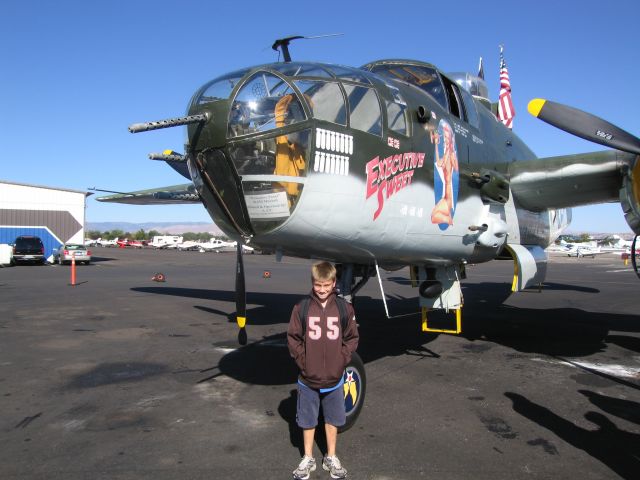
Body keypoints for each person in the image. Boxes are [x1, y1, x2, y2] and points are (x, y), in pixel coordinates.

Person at [287, 262, 359, 479]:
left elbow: (352, 338)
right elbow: (293, 339)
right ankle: (308, 457)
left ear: (334, 283)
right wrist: (304, 362)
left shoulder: (344, 309)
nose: (322, 289)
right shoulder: (302, 308)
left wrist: (341, 361)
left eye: (326, 285)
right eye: (318, 285)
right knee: (308, 420)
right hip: (308, 379)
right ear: (313, 283)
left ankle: (331, 456)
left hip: (335, 379)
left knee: (333, 419)